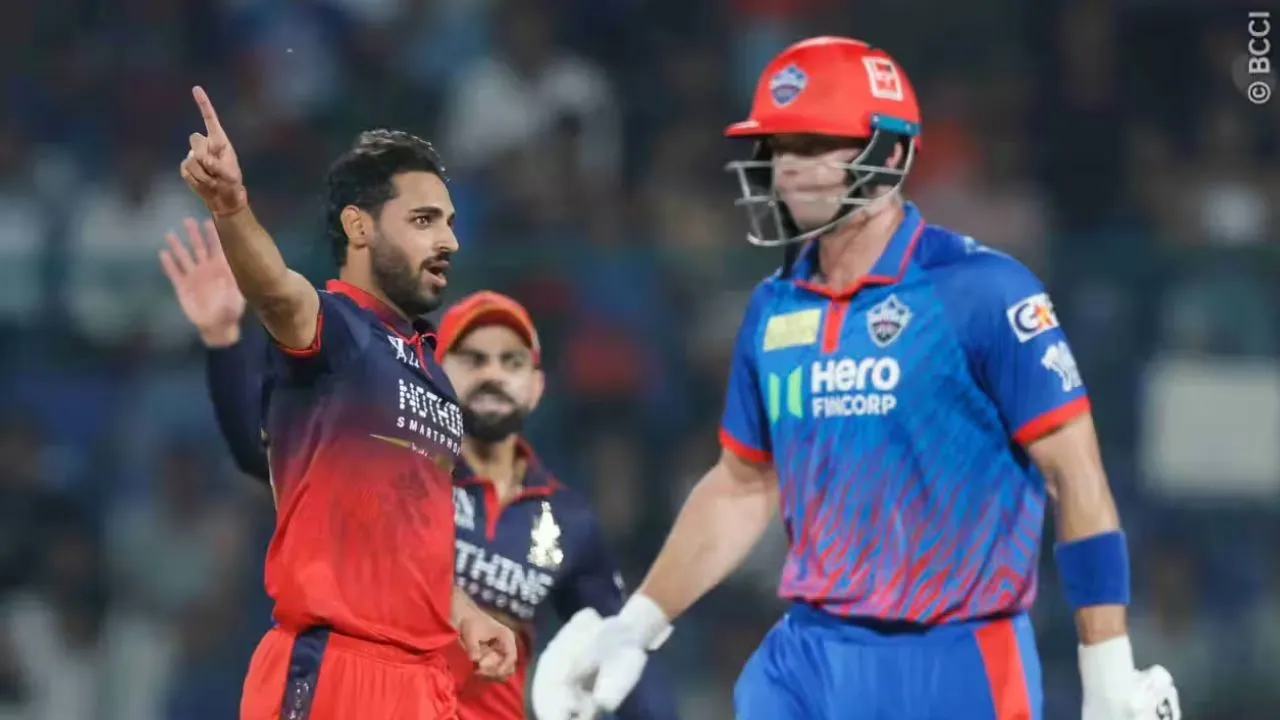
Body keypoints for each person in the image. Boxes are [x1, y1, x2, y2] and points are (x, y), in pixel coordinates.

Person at [530, 37, 1182, 720]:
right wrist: (638, 623)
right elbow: (743, 483)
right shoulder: (774, 308)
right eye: (779, 146)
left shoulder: (984, 291)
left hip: (958, 658)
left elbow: (1075, 476)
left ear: (891, 154)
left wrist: (1108, 669)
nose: (788, 168)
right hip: (806, 660)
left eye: (814, 145)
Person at [160, 220, 681, 720]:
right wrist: (224, 341)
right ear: (435, 374)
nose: (493, 375)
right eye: (472, 359)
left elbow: (623, 651)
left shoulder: (569, 521)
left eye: (512, 361)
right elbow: (261, 457)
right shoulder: (388, 469)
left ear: (537, 387)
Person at [175, 87, 516, 720]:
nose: (449, 241)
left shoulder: (433, 374)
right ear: (360, 227)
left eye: (449, 222)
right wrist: (231, 208)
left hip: (424, 680)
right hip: (334, 669)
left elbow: (406, 532)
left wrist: (464, 611)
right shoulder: (335, 329)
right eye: (424, 221)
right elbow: (277, 292)